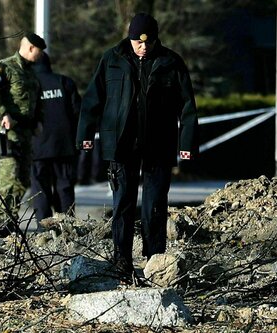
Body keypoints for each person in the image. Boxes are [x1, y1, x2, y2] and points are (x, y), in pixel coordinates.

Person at [76, 12, 199, 276]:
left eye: (148, 42)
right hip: (121, 144)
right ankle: (121, 259)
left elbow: (187, 106)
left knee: (155, 203)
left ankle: (154, 258)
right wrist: (85, 134)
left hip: (159, 144)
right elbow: (92, 100)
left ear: (156, 39)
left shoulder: (171, 62)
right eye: (138, 42)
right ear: (130, 38)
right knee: (123, 203)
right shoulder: (111, 60)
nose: (143, 47)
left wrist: (186, 144)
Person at [0, 33, 45, 234]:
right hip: (7, 132)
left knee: (23, 178)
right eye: (40, 52)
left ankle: (11, 218)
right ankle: (3, 221)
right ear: (31, 48)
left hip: (25, 132)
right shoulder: (5, 67)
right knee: (9, 173)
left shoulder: (31, 72)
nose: (42, 57)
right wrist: (3, 113)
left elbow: (35, 101)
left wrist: (38, 122)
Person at [30, 53, 81, 222]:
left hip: (37, 147)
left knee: (40, 190)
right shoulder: (65, 82)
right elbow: (77, 113)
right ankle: (67, 227)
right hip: (64, 147)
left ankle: (43, 230)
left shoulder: (28, 85)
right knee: (64, 188)